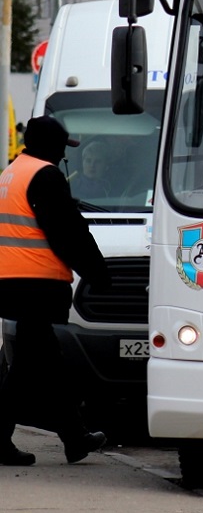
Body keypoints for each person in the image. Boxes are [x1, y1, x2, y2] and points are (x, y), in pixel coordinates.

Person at [0, 116, 111, 466]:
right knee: (32, 364)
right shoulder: (45, 176)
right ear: (51, 145)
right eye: (63, 146)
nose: (65, 154)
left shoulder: (12, 173)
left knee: (42, 360)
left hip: (13, 280)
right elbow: (68, 231)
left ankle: (74, 438)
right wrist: (98, 273)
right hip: (35, 283)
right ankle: (64, 437)